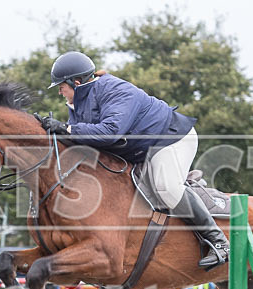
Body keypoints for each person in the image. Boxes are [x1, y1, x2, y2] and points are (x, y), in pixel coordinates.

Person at [38, 51, 229, 270]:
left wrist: (67, 128)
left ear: (76, 83)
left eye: (61, 86)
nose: (59, 92)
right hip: (139, 150)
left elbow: (110, 132)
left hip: (170, 139)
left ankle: (218, 241)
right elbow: (84, 140)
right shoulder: (77, 105)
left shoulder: (115, 90)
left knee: (166, 187)